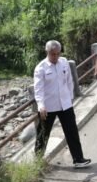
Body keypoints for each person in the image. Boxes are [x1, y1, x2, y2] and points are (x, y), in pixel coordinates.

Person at [33, 40, 90, 168]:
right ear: (47, 52)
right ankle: (37, 162)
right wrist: (41, 105)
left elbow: (69, 81)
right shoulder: (40, 68)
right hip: (48, 107)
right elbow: (38, 89)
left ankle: (78, 159)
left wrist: (69, 97)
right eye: (53, 54)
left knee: (72, 132)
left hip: (65, 104)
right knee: (43, 134)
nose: (56, 57)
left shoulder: (64, 62)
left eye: (58, 54)